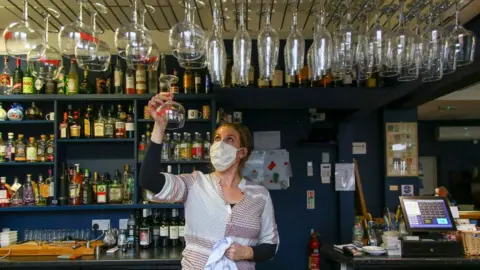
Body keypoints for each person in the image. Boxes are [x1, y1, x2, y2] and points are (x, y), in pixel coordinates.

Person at [140, 93, 279, 269]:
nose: (221, 144)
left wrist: (247, 252)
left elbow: (271, 246)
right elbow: (149, 180)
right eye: (217, 138)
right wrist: (159, 126)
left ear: (242, 152)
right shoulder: (194, 184)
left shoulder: (260, 196)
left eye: (229, 139)